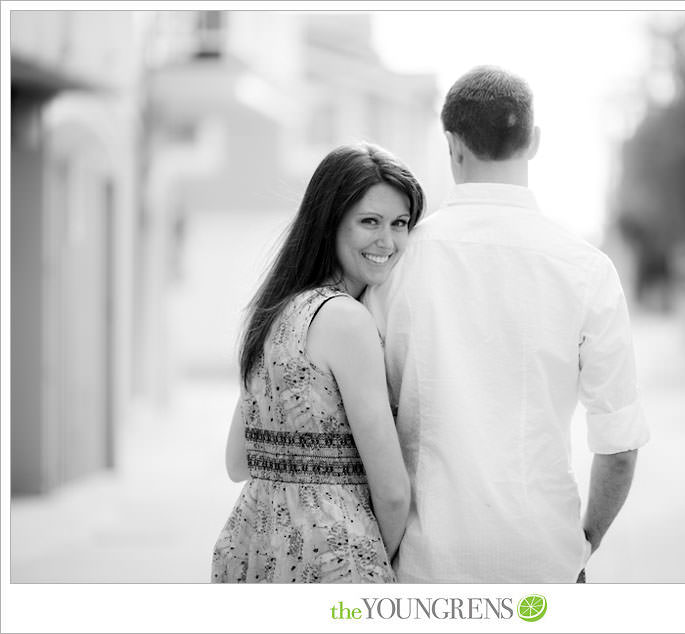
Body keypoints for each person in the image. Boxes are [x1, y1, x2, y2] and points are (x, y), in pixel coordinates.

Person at [364, 66, 650, 583]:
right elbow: (619, 445)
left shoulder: (395, 264)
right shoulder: (587, 270)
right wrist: (584, 543)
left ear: (452, 146)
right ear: (534, 142)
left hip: (427, 565)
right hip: (544, 562)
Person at [212, 142, 424, 583]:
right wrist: (366, 560)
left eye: (400, 223)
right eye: (370, 221)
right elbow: (391, 491)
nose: (387, 241)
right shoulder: (347, 320)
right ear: (330, 223)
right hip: (332, 557)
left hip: (252, 546)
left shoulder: (275, 313)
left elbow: (238, 462)